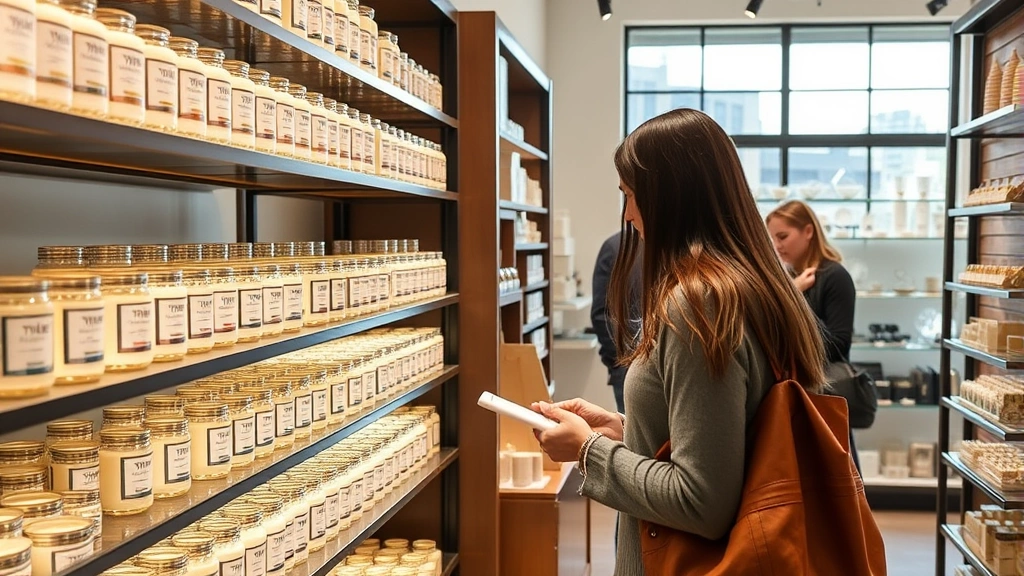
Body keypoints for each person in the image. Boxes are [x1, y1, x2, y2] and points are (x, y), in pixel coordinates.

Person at [530, 108, 829, 576]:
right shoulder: (749, 284)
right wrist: (626, 430)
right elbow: (729, 439)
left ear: (670, 197)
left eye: (631, 196)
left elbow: (700, 500)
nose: (628, 215)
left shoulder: (699, 304)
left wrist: (588, 450)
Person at [765, 199, 860, 471]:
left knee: (835, 480)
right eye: (772, 238)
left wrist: (793, 298)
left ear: (808, 231)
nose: (777, 245)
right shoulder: (791, 277)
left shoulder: (834, 276)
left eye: (783, 236)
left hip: (823, 393)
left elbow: (839, 343)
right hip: (798, 393)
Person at [591, 231, 640, 414]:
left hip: (630, 365)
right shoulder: (616, 248)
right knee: (631, 434)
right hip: (627, 367)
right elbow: (602, 314)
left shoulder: (614, 246)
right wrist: (621, 359)